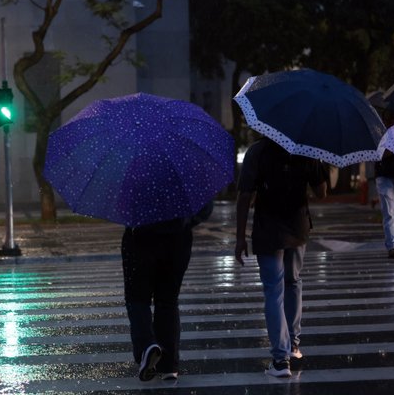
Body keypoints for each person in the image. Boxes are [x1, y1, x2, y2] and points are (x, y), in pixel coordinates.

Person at [235, 138, 327, 378]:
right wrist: (318, 164)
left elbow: (245, 194)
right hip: (297, 227)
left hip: (268, 229)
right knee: (293, 281)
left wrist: (240, 237)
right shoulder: (307, 148)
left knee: (273, 291)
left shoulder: (257, 151)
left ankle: (280, 359)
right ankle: (293, 345)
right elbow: (321, 192)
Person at [122, 200, 213, 382]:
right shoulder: (186, 175)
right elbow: (205, 207)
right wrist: (186, 221)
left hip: (141, 237)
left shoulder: (134, 175)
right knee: (168, 301)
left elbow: (122, 206)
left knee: (137, 299)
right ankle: (169, 364)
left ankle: (147, 346)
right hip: (178, 240)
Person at [374, 112, 394, 259]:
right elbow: (379, 153)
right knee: (389, 212)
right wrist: (392, 147)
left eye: (393, 118)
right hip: (384, 175)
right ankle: (392, 246)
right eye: (388, 118)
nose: (390, 121)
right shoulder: (378, 131)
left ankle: (393, 238)